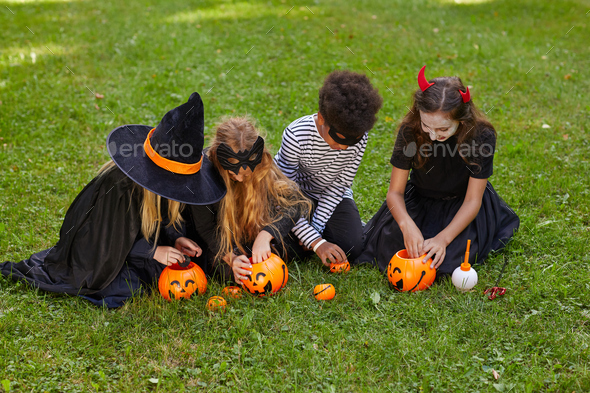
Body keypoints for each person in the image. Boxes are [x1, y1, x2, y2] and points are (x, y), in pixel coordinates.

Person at [0, 92, 226, 307]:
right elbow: (108, 239)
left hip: (137, 244)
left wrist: (175, 239)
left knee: (176, 268)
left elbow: (163, 220)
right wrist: (153, 252)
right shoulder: (120, 188)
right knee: (127, 286)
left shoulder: (168, 187)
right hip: (97, 249)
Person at [356, 66, 520, 276]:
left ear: (461, 119)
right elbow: (395, 193)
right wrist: (407, 225)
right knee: (395, 252)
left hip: (462, 204)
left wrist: (444, 238)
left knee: (445, 263)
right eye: (427, 126)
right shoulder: (411, 131)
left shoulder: (481, 136)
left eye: (443, 129)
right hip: (419, 201)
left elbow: (472, 200)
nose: (433, 136)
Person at [274, 70, 383, 267]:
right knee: (285, 249)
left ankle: (319, 229)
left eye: (351, 142)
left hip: (331, 196)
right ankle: (307, 235)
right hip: (294, 197)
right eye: (339, 139)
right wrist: (315, 241)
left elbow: (339, 185)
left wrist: (315, 227)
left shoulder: (359, 136)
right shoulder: (296, 135)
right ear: (322, 118)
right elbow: (283, 194)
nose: (343, 148)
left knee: (353, 247)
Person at [185, 117, 311, 283]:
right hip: (222, 240)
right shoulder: (204, 176)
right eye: (231, 172)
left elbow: (295, 204)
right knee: (226, 270)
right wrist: (232, 258)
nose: (239, 178)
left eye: (246, 174)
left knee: (291, 248)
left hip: (252, 232)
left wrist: (266, 235)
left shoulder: (262, 166)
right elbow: (206, 228)